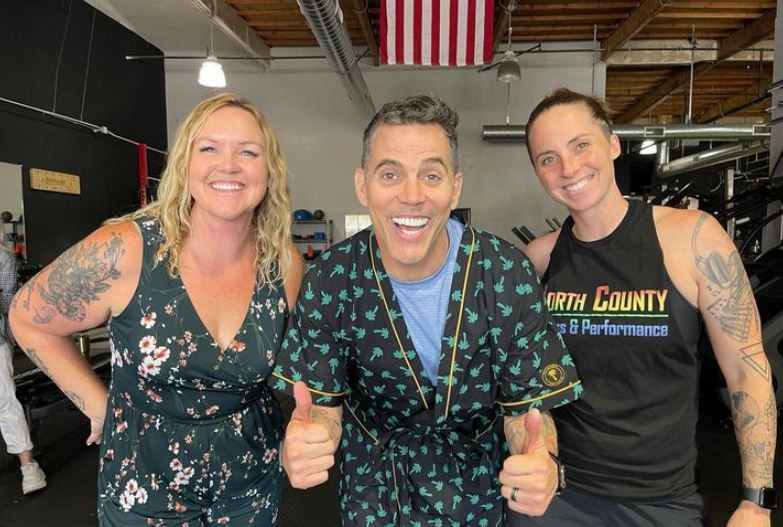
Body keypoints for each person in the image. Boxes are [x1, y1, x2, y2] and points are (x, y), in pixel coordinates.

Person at [272, 94, 581, 526]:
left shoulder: (506, 273)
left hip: (474, 498)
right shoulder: (330, 278)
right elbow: (322, 407)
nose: (411, 196)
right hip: (373, 495)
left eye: (430, 175)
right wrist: (311, 440)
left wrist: (542, 459)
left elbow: (527, 412)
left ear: (454, 187)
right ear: (363, 185)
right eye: (390, 173)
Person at [9, 93, 304, 525]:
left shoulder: (282, 262)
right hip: (146, 484)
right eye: (209, 148)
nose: (230, 164)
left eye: (248, 151)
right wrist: (96, 404)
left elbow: (302, 362)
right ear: (185, 164)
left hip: (251, 479)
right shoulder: (127, 249)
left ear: (268, 171)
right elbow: (26, 316)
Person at [517, 88, 777, 527]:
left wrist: (756, 500)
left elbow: (747, 371)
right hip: (557, 499)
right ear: (539, 174)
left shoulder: (693, 239)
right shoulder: (536, 260)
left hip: (660, 503)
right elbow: (525, 383)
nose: (568, 168)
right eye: (548, 158)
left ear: (613, 144)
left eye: (581, 145)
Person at [0, 245, 47, 494]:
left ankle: (28, 466)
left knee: (5, 402)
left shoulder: (2, 258)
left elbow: (10, 303)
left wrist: (8, 343)